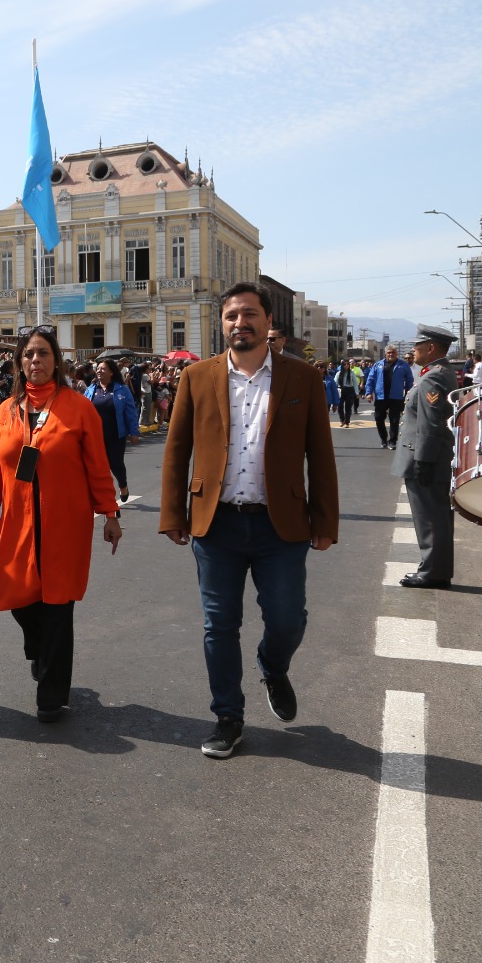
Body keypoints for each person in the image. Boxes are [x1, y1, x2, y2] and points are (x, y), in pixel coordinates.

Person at [159, 282, 338, 759]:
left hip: (281, 526)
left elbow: (320, 455)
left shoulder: (302, 380)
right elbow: (177, 451)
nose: (241, 323)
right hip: (215, 525)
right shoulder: (196, 377)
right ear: (223, 324)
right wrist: (173, 512)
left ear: (267, 322)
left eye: (249, 314)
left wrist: (324, 520)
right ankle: (227, 717)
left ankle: (272, 666)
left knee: (286, 619)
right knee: (219, 624)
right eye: (232, 316)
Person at [0, 325, 122, 722]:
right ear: (19, 363)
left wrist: (110, 513)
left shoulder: (78, 407)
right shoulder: (5, 412)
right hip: (19, 523)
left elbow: (98, 466)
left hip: (65, 523)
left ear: (56, 361)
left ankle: (51, 695)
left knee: (58, 605)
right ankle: (39, 650)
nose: (35, 361)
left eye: (43, 354)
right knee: (17, 596)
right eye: (29, 355)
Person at [393, 325, 459, 589]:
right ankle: (435, 569)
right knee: (435, 516)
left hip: (427, 456)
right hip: (431, 454)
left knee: (431, 518)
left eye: (417, 346)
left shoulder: (433, 377)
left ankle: (433, 572)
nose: (412, 350)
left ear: (430, 348)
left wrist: (423, 460)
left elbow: (431, 423)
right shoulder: (438, 373)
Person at [87, 360, 140, 503]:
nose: (99, 371)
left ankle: (123, 485)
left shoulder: (122, 389)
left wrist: (133, 431)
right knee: (97, 467)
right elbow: (83, 411)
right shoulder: (91, 389)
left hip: (116, 434)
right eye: (97, 369)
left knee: (115, 463)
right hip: (95, 436)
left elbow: (130, 411)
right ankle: (104, 496)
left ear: (111, 372)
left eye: (103, 369)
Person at [363, 345, 414, 450]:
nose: (391, 354)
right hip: (381, 397)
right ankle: (383, 439)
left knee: (394, 420)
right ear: (385, 354)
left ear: (397, 354)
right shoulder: (378, 365)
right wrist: (368, 393)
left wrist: (409, 394)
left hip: (396, 397)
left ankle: (392, 441)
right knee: (378, 418)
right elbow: (370, 379)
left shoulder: (403, 365)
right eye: (389, 352)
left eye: (393, 352)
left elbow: (409, 381)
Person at [335, 358, 361, 427]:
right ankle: (342, 420)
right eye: (345, 364)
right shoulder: (339, 373)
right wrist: (334, 391)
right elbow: (335, 382)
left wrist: (357, 393)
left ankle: (347, 422)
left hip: (349, 390)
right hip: (340, 390)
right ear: (342, 365)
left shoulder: (351, 373)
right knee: (340, 406)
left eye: (347, 364)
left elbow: (355, 383)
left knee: (348, 406)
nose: (346, 365)